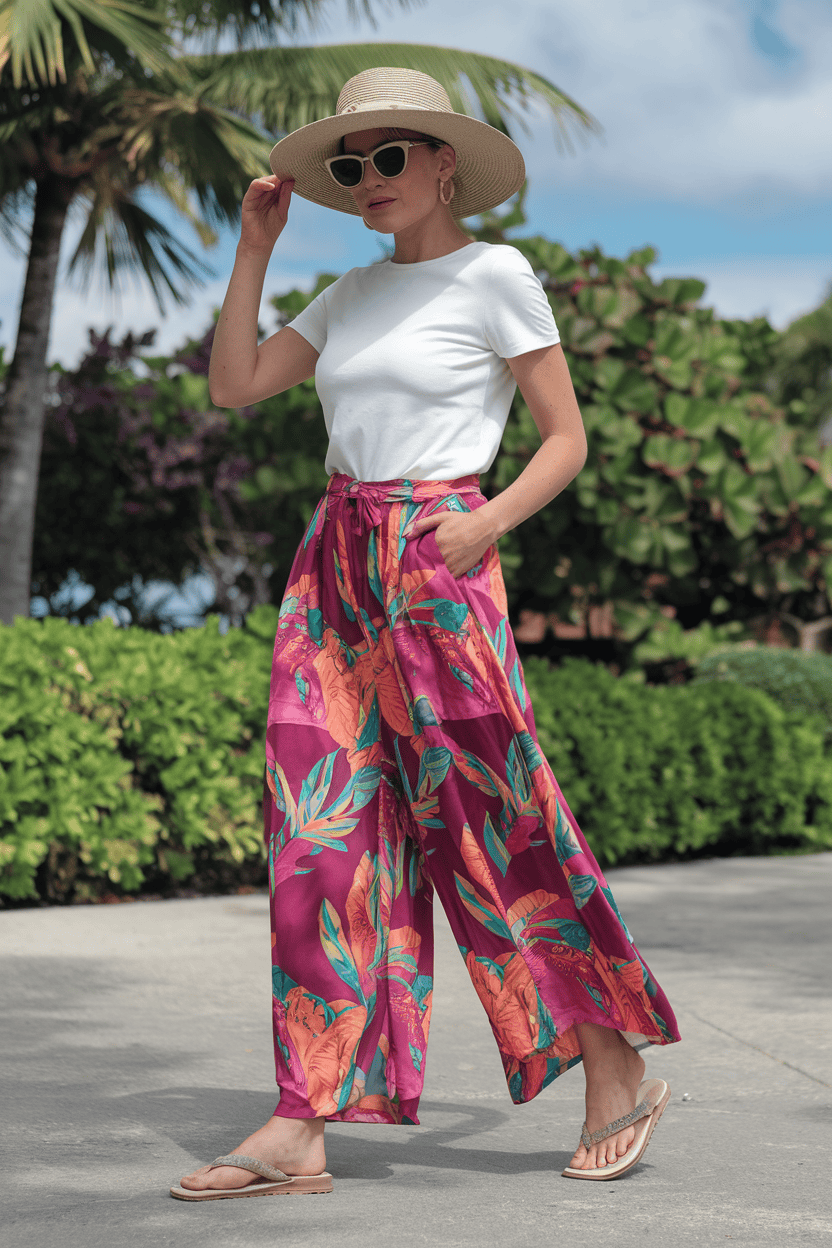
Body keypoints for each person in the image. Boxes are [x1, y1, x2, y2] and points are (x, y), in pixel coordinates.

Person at [171, 67, 680, 1202]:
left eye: (386, 158)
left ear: (445, 164)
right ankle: (303, 1118)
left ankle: (613, 1063)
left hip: (439, 561)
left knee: (494, 826)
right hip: (335, 571)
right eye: (347, 166)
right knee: (319, 835)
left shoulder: (496, 275)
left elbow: (563, 438)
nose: (365, 182)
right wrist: (254, 250)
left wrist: (482, 525)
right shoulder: (348, 294)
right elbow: (235, 383)